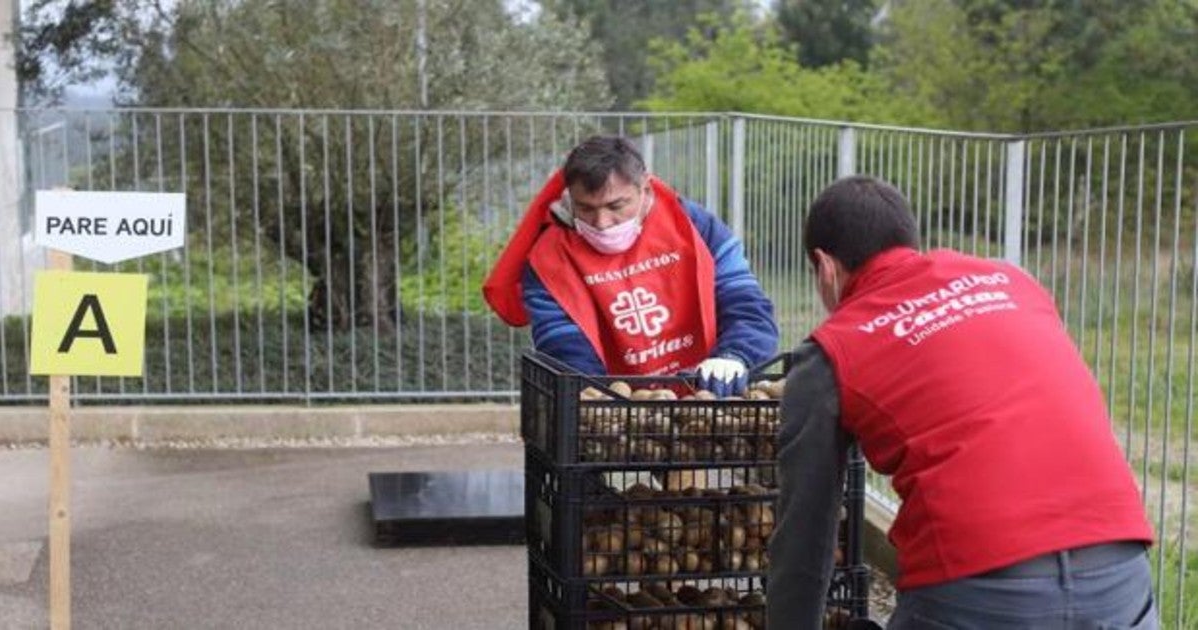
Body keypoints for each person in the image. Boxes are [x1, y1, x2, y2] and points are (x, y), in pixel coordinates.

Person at [768, 176, 1156, 629]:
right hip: (1121, 571)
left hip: (981, 590)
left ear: (825, 267)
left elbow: (804, 540)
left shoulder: (831, 353)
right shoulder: (1013, 282)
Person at [483, 135, 778, 394]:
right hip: (619, 413)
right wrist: (600, 403)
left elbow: (744, 301)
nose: (601, 223)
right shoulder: (548, 260)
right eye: (585, 208)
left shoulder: (696, 227)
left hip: (709, 394)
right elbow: (563, 345)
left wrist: (735, 355)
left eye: (616, 206)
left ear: (645, 189)